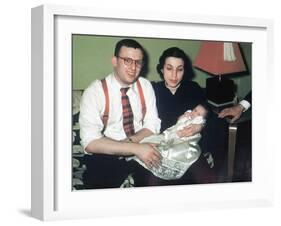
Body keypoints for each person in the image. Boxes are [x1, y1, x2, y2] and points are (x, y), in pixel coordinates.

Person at [79, 39, 162, 189]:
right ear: (114, 61)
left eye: (138, 62)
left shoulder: (145, 85)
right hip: (107, 153)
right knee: (96, 184)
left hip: (140, 145)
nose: (133, 68)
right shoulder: (95, 91)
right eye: (127, 61)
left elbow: (152, 124)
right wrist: (135, 149)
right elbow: (90, 142)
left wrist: (132, 143)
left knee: (159, 182)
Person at [150, 47, 216, 185]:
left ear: (184, 71)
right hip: (162, 147)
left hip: (189, 149)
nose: (174, 75)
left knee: (208, 180)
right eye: (169, 68)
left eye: (179, 69)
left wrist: (200, 126)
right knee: (153, 183)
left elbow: (207, 114)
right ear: (162, 69)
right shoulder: (152, 90)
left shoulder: (193, 88)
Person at [129, 104, 208, 180]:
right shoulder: (188, 115)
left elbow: (198, 127)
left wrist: (200, 126)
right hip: (168, 134)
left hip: (182, 140)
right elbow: (178, 121)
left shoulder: (196, 122)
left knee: (165, 151)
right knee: (148, 141)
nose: (195, 113)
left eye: (199, 114)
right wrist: (183, 116)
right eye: (195, 110)